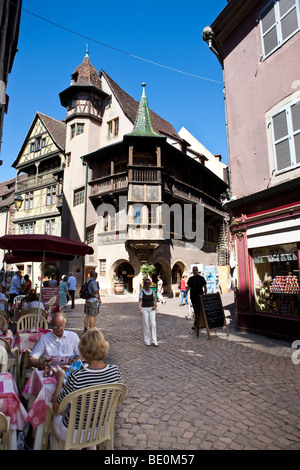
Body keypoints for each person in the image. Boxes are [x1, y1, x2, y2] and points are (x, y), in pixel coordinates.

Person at [50, 328, 122, 450]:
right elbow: (118, 399)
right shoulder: (115, 372)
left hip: (74, 433)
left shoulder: (77, 377)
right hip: (100, 430)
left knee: (54, 419)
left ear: (83, 350)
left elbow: (57, 409)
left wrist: (60, 380)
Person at [186, 266, 207, 330]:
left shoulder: (201, 278)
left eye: (196, 270)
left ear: (197, 271)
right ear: (192, 271)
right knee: (195, 309)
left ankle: (196, 324)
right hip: (193, 296)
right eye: (194, 270)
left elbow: (205, 287)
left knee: (197, 310)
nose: (195, 271)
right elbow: (188, 287)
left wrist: (205, 295)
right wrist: (185, 293)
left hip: (199, 296)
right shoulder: (190, 279)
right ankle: (198, 323)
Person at [138, 278, 158, 346]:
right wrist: (140, 309)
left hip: (151, 308)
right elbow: (140, 301)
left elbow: (155, 299)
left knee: (153, 324)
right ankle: (147, 340)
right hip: (144, 309)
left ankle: (154, 340)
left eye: (149, 283)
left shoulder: (152, 291)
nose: (148, 284)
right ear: (144, 284)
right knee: (146, 324)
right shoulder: (142, 292)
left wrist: (155, 305)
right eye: (146, 283)